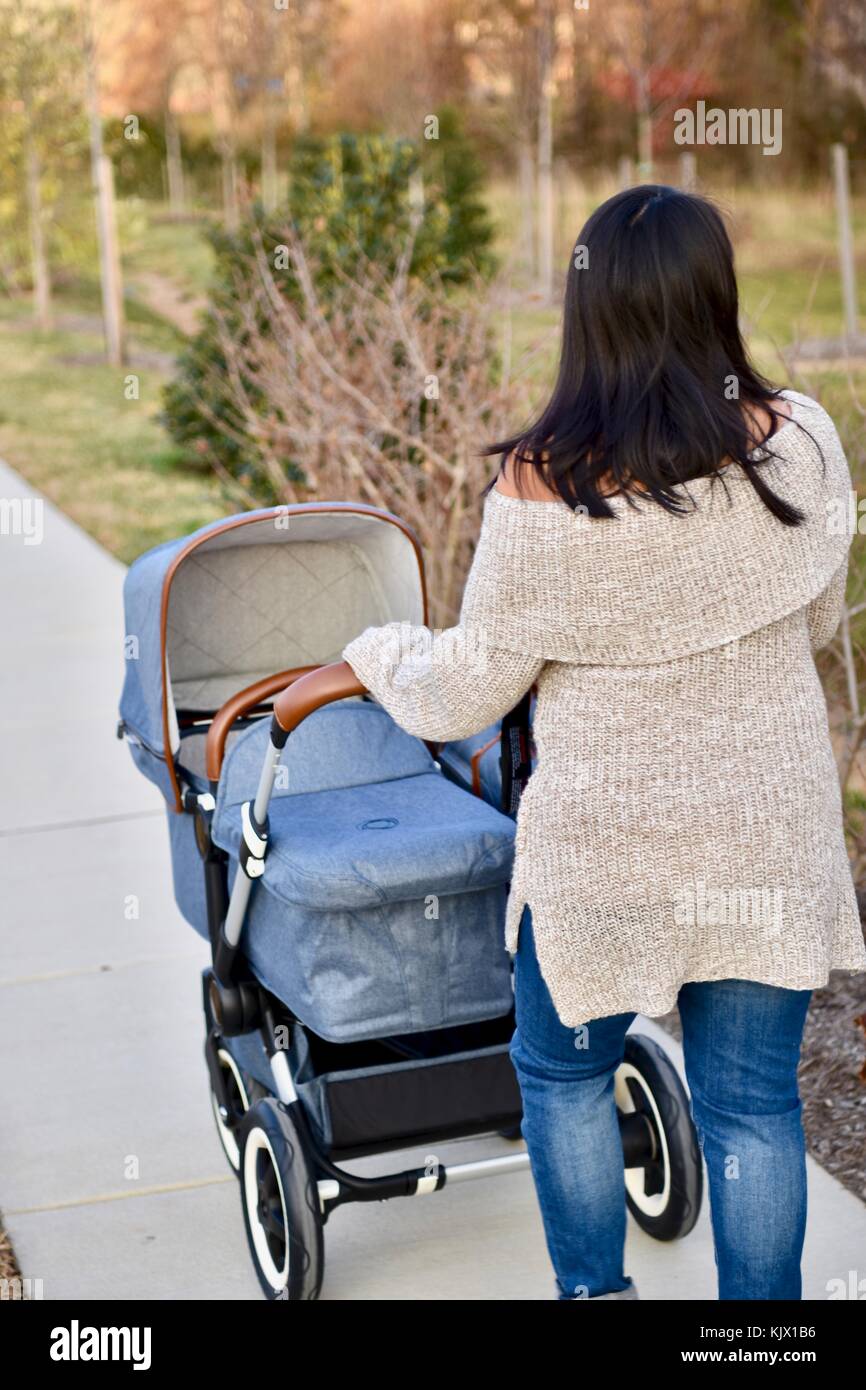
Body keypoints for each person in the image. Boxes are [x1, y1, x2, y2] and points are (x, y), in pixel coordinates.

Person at [342, 185, 866, 1301]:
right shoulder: (804, 446)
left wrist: (375, 651)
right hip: (763, 836)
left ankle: (596, 1295)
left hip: (604, 855)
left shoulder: (541, 493)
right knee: (750, 1106)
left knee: (561, 1077)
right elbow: (816, 620)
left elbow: (461, 694)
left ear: (587, 317)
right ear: (712, 299)